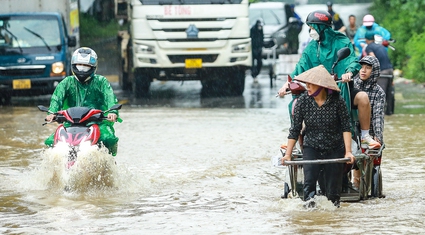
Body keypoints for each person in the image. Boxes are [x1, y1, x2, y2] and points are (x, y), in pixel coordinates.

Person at [278, 10, 381, 150]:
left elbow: (352, 60)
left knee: (363, 97)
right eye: (310, 28)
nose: (311, 31)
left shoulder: (341, 41)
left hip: (340, 87)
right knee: (295, 104)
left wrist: (349, 73)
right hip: (317, 91)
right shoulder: (311, 47)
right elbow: (299, 68)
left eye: (313, 27)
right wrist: (287, 84)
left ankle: (364, 136)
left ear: (323, 28)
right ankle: (295, 139)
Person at [281, 65, 355, 207]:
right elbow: (295, 129)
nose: (307, 87)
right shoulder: (302, 101)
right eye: (306, 84)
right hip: (312, 147)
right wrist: (288, 154)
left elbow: (346, 127)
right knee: (309, 185)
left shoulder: (338, 101)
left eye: (311, 84)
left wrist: (348, 151)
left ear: (321, 86)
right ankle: (310, 216)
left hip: (334, 147)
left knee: (333, 192)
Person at [44, 47, 120, 156]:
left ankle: (110, 162)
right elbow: (56, 98)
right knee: (50, 142)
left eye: (85, 67)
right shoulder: (67, 82)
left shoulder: (101, 82)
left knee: (109, 138)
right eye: (79, 66)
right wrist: (51, 113)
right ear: (73, 65)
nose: (82, 70)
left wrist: (113, 112)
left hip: (97, 122)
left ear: (93, 67)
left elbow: (110, 97)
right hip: (70, 122)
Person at [352, 55, 386, 188]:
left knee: (368, 159)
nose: (363, 70)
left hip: (369, 132)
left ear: (374, 71)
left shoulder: (379, 92)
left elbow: (378, 115)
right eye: (361, 67)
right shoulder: (351, 85)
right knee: (355, 164)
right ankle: (355, 181)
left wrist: (378, 135)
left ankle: (365, 183)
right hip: (352, 129)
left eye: (368, 68)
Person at [364, 31, 394, 115]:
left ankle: (378, 113)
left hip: (383, 71)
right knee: (389, 93)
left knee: (381, 93)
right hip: (390, 70)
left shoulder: (369, 47)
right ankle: (390, 112)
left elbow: (373, 58)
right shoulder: (380, 46)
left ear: (366, 40)